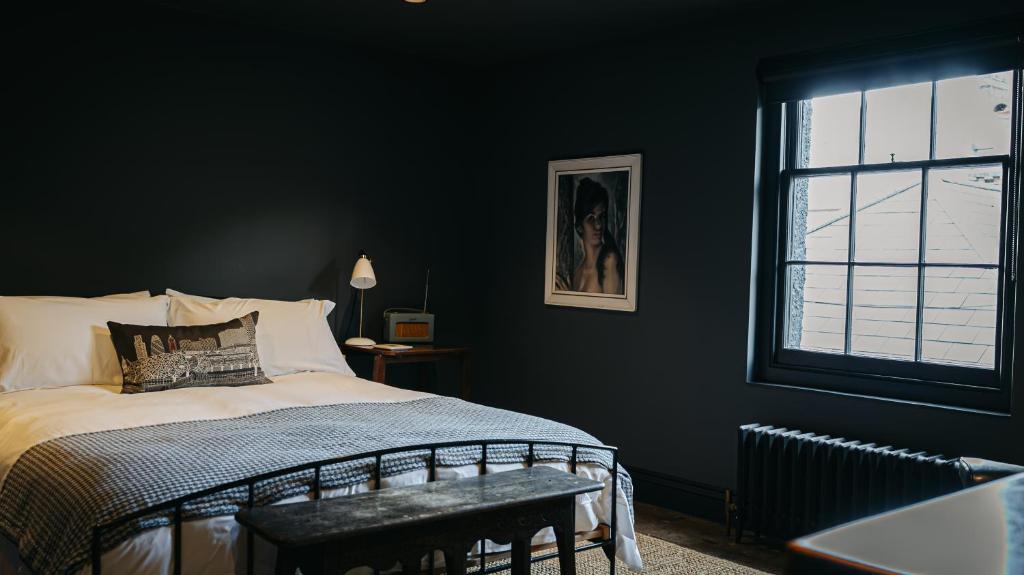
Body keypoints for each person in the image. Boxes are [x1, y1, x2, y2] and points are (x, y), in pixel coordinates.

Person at [568, 177, 624, 295]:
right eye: (591, 219)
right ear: (579, 226)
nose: (598, 225)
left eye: (601, 217)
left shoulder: (609, 261)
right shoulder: (578, 272)